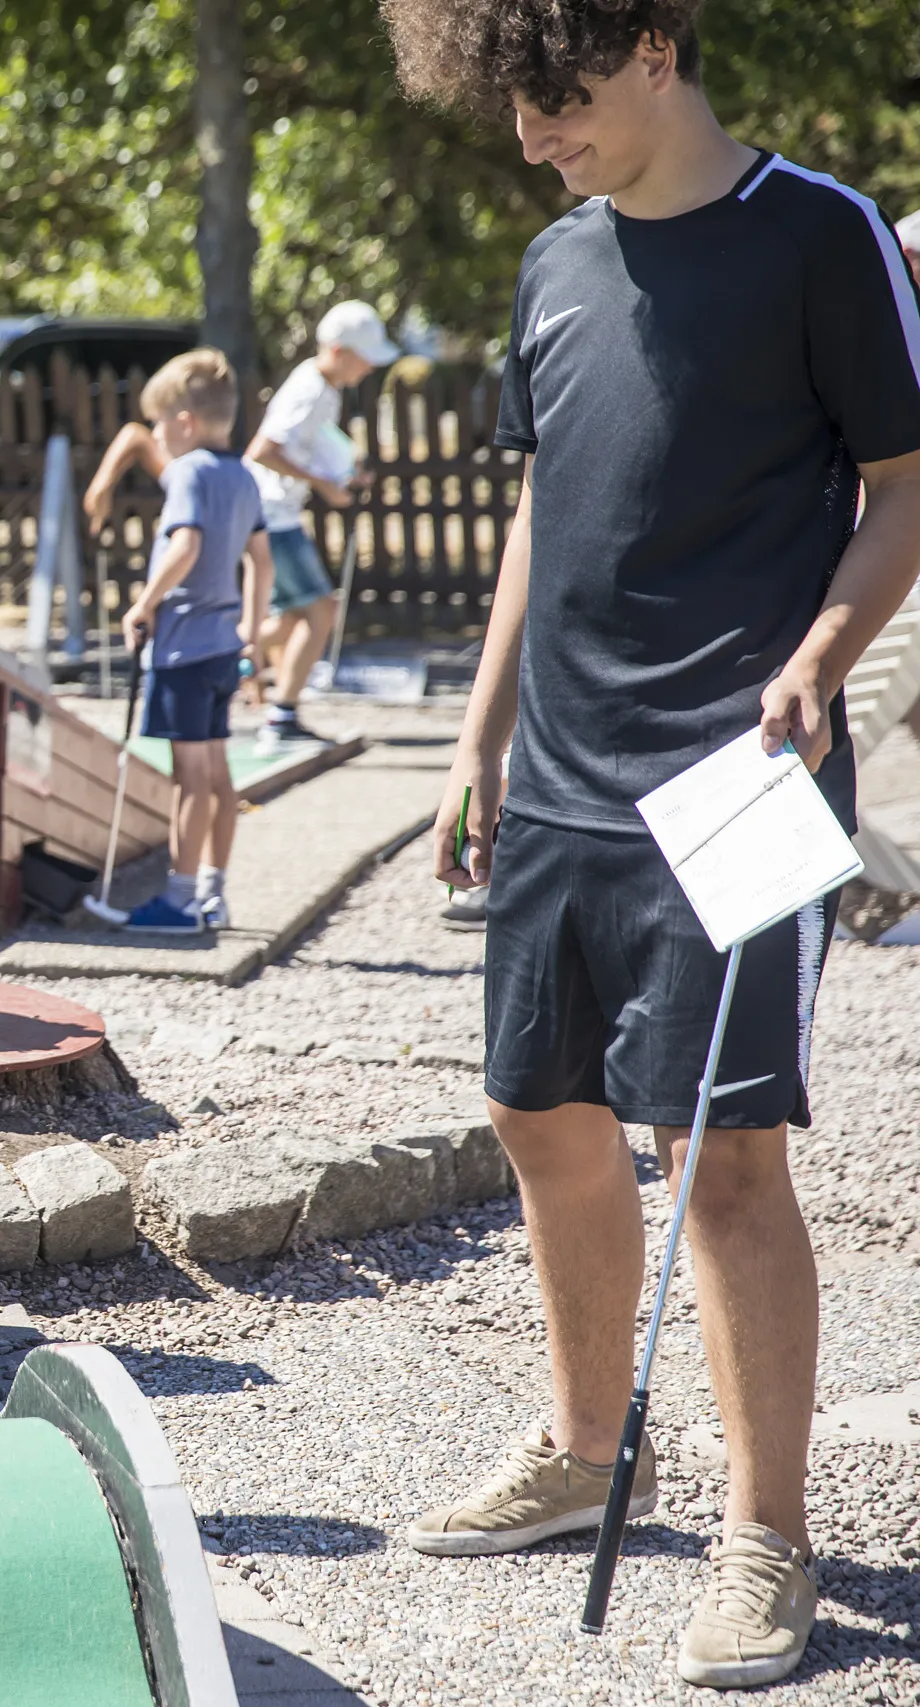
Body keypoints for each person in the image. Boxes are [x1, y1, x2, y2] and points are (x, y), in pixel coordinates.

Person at [385, 1, 920, 1687]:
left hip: (744, 775)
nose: (534, 138)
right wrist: (476, 732)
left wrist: (823, 656)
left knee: (728, 1152)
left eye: (553, 102)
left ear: (652, 45)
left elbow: (909, 485)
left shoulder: (821, 239)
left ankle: (768, 1536)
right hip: (560, 770)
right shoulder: (556, 262)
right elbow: (546, 506)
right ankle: (581, 1441)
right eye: (516, 110)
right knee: (535, 1108)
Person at [111, 348, 273, 933]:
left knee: (191, 778)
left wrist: (144, 602)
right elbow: (261, 561)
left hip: (182, 646)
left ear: (183, 421)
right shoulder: (242, 475)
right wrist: (251, 634)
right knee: (219, 774)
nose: (155, 435)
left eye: (158, 423)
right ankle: (213, 892)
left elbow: (185, 547)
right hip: (224, 645)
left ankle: (179, 898)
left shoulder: (188, 472)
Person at [243, 301, 400, 751]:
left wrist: (343, 473)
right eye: (364, 356)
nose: (370, 366)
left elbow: (309, 446)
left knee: (294, 618)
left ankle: (233, 658)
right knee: (322, 611)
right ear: (337, 351)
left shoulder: (323, 390)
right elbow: (263, 450)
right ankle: (281, 715)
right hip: (271, 516)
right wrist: (326, 487)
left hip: (274, 515)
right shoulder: (312, 390)